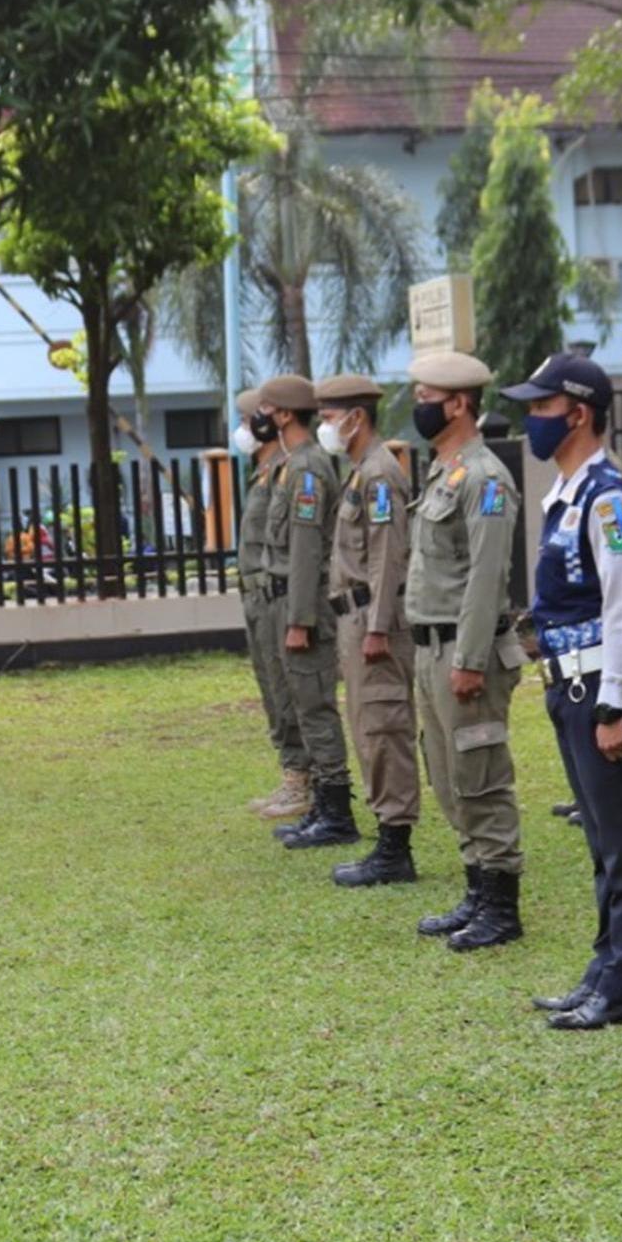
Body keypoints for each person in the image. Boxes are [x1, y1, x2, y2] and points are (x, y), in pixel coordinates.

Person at [508, 353, 622, 1031]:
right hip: (570, 684)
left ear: (577, 413)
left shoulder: (609, 497)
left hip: (601, 685)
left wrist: (613, 704)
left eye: (541, 408)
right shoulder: (567, 493)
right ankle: (605, 966)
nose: (530, 420)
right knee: (602, 840)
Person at [403, 350, 526, 949]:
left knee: (481, 776)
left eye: (426, 397)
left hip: (463, 651)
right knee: (450, 778)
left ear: (458, 404)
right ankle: (477, 890)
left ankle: (502, 906)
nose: (416, 406)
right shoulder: (442, 471)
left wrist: (470, 660)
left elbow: (486, 576)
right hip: (430, 647)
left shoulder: (485, 478)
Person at [315, 373, 421, 885]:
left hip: (373, 621)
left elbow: (387, 557)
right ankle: (387, 834)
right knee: (368, 728)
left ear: (357, 417)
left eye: (330, 418)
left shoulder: (379, 475)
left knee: (384, 727)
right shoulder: (361, 473)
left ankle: (395, 847)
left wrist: (378, 626)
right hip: (354, 619)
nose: (325, 426)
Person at [256, 373, 357, 849]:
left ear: (281, 414)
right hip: (280, 600)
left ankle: (337, 813)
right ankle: (321, 804)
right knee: (297, 700)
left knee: (314, 704)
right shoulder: (290, 465)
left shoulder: (308, 470)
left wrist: (300, 619)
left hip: (302, 605)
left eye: (263, 409)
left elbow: (305, 548)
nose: (257, 419)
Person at [236, 388, 310, 822]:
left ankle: (302, 779)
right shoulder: (266, 472)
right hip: (258, 594)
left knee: (291, 692)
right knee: (273, 689)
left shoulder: (292, 470)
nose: (244, 429)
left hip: (278, 596)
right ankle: (292, 772)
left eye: (248, 420)